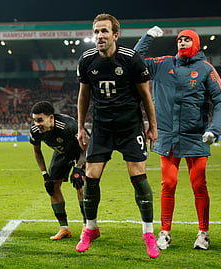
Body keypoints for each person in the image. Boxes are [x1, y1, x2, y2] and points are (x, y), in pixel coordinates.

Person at [134, 26, 221, 250]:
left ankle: (203, 234)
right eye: (180, 39)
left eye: (188, 39)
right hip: (167, 137)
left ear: (196, 44)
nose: (182, 42)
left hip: (196, 137)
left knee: (199, 185)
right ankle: (165, 233)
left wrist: (214, 129)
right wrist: (147, 37)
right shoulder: (163, 64)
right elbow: (134, 62)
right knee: (168, 183)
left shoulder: (206, 69)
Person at [75, 14, 159, 258]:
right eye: (96, 31)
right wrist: (81, 127)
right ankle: (90, 228)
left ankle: (148, 233)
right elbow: (83, 96)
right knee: (90, 176)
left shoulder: (132, 59)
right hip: (101, 128)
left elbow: (146, 96)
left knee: (138, 176)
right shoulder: (87, 60)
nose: (99, 36)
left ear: (115, 35)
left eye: (104, 31)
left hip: (130, 127)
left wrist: (152, 126)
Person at [30, 101, 88, 240]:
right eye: (34, 120)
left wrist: (78, 168)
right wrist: (45, 174)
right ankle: (64, 229)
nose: (37, 124)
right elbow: (37, 152)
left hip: (80, 152)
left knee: (80, 184)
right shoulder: (36, 131)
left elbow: (87, 145)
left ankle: (87, 226)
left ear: (51, 118)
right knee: (52, 186)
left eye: (40, 120)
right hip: (61, 154)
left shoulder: (68, 126)